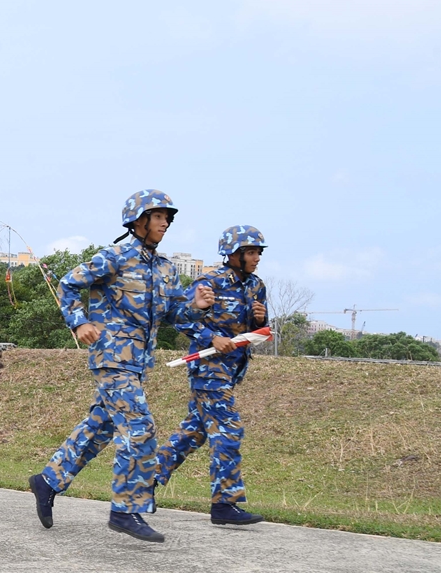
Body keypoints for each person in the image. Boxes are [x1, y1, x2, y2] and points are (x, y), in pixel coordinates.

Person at [28, 190, 215, 542]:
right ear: (138, 221)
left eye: (168, 218)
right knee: (140, 427)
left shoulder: (166, 269)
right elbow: (68, 284)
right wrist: (79, 322)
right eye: (158, 216)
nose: (165, 223)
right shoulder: (114, 257)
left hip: (138, 364)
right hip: (111, 357)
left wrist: (196, 306)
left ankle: (47, 480)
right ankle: (125, 509)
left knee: (100, 427)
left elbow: (175, 316)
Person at [155, 226, 270, 527]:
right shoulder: (209, 282)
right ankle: (224, 504)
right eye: (251, 252)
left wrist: (260, 320)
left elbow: (259, 332)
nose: (257, 257)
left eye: (259, 252)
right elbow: (180, 318)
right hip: (208, 370)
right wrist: (211, 338)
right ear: (233, 254)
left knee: (193, 432)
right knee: (229, 430)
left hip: (232, 370)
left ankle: (141, 484)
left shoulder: (256, 286)